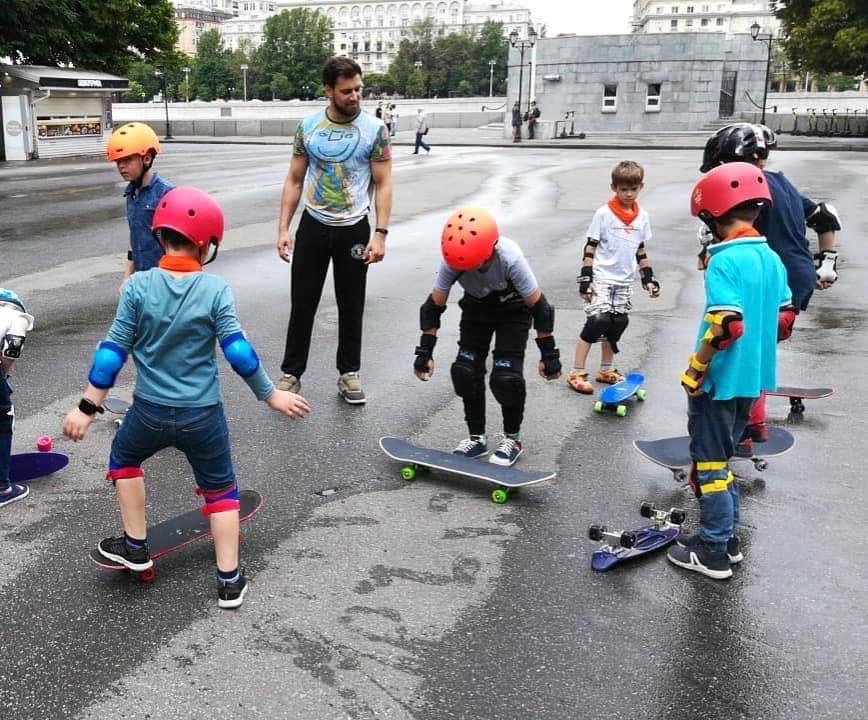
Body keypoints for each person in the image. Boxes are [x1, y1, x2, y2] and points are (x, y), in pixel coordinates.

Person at [62, 187, 311, 608]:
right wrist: (271, 396)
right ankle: (229, 581)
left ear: (160, 236)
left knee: (124, 460)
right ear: (206, 243)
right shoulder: (216, 290)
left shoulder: (138, 287)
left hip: (149, 413)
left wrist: (87, 408)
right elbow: (237, 352)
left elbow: (112, 353)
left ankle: (135, 547)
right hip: (203, 416)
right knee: (221, 492)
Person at [668, 162, 793, 580]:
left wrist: (697, 365)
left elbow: (726, 324)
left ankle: (713, 550)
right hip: (752, 382)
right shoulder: (771, 258)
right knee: (723, 461)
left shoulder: (725, 261)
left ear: (714, 214)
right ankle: (727, 539)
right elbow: (784, 318)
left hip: (720, 381)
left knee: (709, 466)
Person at [698, 123, 841, 448]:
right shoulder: (781, 183)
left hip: (764, 279)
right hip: (794, 280)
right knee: (758, 347)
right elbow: (826, 217)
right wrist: (826, 263)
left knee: (738, 349)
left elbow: (733, 235)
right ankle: (751, 423)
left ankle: (744, 429)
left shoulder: (746, 191)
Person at [276, 57, 392, 404]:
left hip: (355, 227)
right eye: (346, 91)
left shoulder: (375, 130)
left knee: (351, 304)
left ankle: (349, 373)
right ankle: (291, 374)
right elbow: (295, 179)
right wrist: (283, 228)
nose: (355, 95)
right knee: (303, 302)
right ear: (328, 91)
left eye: (358, 88)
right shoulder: (308, 128)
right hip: (314, 224)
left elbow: (383, 183)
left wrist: (381, 234)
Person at [413, 207, 562, 466]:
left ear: (489, 251)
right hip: (476, 309)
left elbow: (540, 308)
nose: (468, 269)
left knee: (506, 377)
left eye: (473, 264)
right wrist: (424, 353)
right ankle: (476, 438)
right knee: (465, 371)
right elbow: (432, 308)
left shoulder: (510, 258)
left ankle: (512, 439)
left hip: (513, 310)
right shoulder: (452, 260)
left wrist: (549, 356)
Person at [566, 161, 660, 394]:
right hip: (602, 277)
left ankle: (606, 369)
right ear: (613, 187)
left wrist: (648, 277)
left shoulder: (642, 216)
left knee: (617, 323)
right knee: (598, 321)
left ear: (641, 187)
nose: (628, 194)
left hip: (624, 279)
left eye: (633, 189)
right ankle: (577, 371)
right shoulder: (604, 213)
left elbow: (640, 249)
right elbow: (590, 246)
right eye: (623, 189)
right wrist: (586, 278)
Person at [106, 122, 173, 282]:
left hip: (163, 280)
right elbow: (135, 235)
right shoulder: (131, 193)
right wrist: (127, 277)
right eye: (118, 162)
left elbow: (179, 246)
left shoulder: (166, 194)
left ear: (147, 158)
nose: (121, 166)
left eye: (127, 160)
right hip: (140, 278)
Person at [0, 289, 34, 509]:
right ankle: (2, 488)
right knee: (2, 422)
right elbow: (13, 346)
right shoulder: (16, 316)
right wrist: (4, 371)